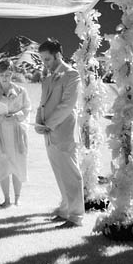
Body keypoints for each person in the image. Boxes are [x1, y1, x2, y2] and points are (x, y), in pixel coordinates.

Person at [35, 38, 84, 228]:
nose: (44, 63)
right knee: (59, 173)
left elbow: (67, 105)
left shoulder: (71, 75)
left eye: (47, 59)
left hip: (64, 132)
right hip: (48, 133)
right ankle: (64, 210)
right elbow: (42, 103)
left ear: (57, 55)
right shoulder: (47, 77)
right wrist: (39, 122)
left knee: (71, 174)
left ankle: (76, 216)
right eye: (42, 60)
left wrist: (48, 124)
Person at [0, 59, 31, 207]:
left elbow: (27, 108)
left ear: (12, 74)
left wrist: (17, 115)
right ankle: (6, 198)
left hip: (16, 132)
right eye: (2, 74)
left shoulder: (21, 91)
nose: (5, 77)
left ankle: (17, 198)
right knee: (2, 163)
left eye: (8, 74)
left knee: (17, 162)